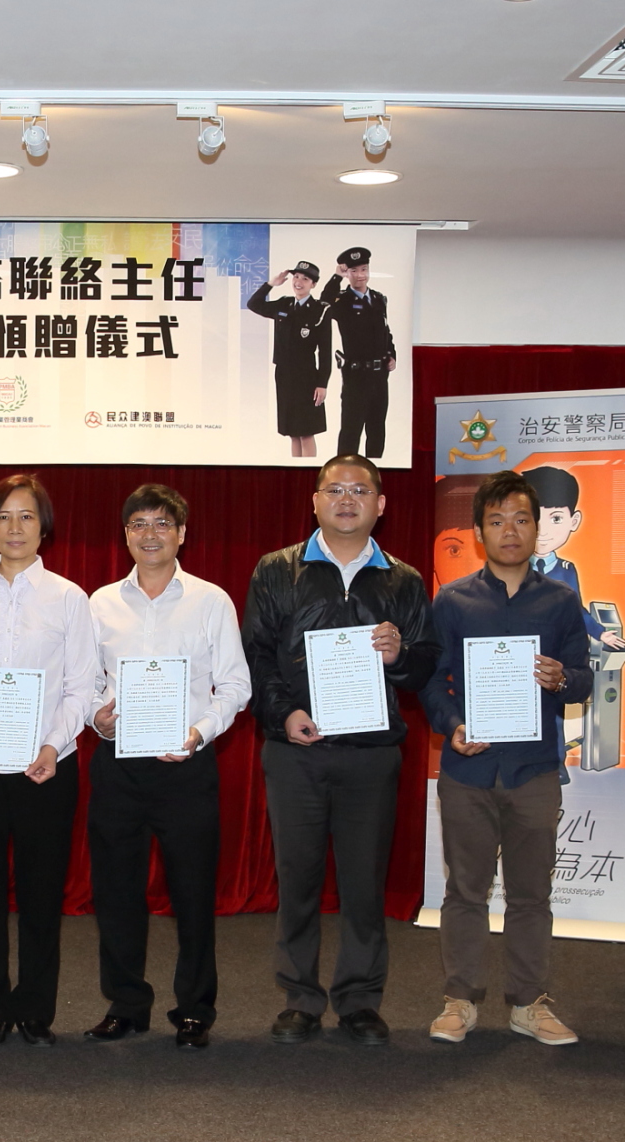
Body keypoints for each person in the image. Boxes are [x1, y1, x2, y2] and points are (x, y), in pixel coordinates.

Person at [242, 454, 437, 1046]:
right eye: (334, 489)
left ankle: (358, 1000)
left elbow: (426, 665)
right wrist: (285, 714)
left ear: (381, 504)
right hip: (295, 751)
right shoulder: (277, 569)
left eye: (360, 490)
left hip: (371, 756)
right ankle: (300, 998)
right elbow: (256, 656)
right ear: (315, 501)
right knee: (297, 879)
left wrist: (400, 655)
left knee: (363, 883)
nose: (346, 500)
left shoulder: (403, 580)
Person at [418, 471, 592, 1047]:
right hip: (468, 770)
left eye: (521, 520)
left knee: (530, 895)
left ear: (537, 529)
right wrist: (453, 726)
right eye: (496, 521)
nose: (510, 531)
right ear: (479, 532)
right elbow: (431, 682)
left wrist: (561, 677)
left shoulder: (561, 602)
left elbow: (584, 680)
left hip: (533, 771)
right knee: (465, 892)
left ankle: (528, 1003)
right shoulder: (453, 601)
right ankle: (460, 1000)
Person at [84, 484, 251, 1049]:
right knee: (116, 892)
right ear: (125, 534)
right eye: (138, 524)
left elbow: (235, 685)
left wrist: (199, 732)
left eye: (161, 524)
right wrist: (97, 717)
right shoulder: (100, 603)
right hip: (118, 764)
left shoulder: (211, 600)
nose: (149, 534)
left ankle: (195, 1009)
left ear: (181, 533)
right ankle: (126, 1004)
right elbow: (84, 682)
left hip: (186, 765)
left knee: (193, 893)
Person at [0, 474, 99, 1047]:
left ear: (44, 527)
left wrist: (53, 745)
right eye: (4, 516)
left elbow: (81, 686)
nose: (15, 527)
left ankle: (34, 1008)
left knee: (41, 893)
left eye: (27, 516)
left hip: (46, 769)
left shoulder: (69, 598)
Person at [517, 465, 625, 651]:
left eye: (556, 519)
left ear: (573, 521)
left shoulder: (566, 570)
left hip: (558, 649)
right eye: (533, 518)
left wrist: (600, 633)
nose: (542, 530)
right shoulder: (512, 569)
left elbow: (575, 609)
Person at [246, 261, 333, 458]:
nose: (298, 282)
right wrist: (271, 284)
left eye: (305, 279)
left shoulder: (320, 310)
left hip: (306, 377)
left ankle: (309, 471)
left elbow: (325, 351)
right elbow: (253, 304)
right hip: (284, 375)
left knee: (306, 433)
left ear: (313, 284)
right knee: (292, 432)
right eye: (296, 277)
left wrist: (322, 383)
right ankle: (297, 470)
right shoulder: (284, 304)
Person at [323, 247, 397, 459]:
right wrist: (336, 277)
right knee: (351, 430)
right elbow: (323, 302)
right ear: (347, 273)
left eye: (364, 269)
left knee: (377, 429)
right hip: (356, 376)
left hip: (379, 376)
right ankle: (344, 471)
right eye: (353, 270)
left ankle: (374, 471)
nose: (360, 275)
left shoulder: (379, 299)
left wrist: (392, 354)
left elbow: (385, 331)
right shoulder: (342, 301)